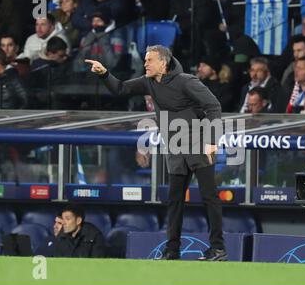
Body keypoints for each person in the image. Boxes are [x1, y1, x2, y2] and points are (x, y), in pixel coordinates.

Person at [85, 45, 227, 261]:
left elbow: (214, 106)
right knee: (174, 200)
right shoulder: (148, 82)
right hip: (175, 147)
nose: (145, 64)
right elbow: (121, 89)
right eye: (145, 60)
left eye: (149, 60)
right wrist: (104, 73)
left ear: (163, 62)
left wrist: (211, 141)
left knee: (209, 197)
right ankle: (172, 250)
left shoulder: (187, 81)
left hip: (199, 144)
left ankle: (218, 249)